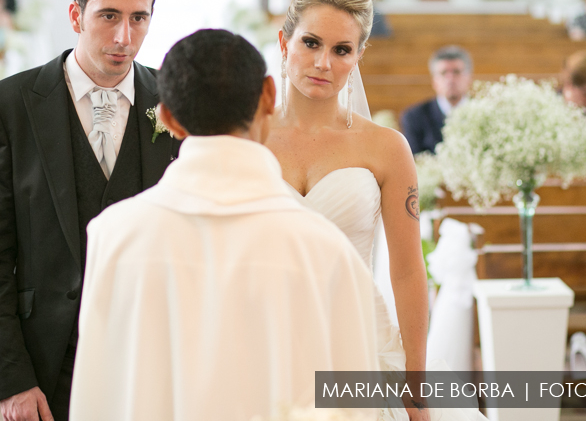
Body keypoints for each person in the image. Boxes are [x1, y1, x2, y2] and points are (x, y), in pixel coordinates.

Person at [70, 29, 381, 420]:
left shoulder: (114, 235)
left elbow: (94, 396)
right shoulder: (326, 248)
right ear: (269, 96)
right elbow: (355, 408)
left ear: (167, 117)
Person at [0, 0, 179, 421]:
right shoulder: (8, 106)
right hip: (46, 361)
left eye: (139, 18)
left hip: (151, 360)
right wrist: (13, 378)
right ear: (76, 14)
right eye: (108, 16)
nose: (124, 36)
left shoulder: (176, 102)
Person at [266, 0, 487, 421]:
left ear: (359, 56)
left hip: (357, 338)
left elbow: (408, 271)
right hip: (266, 333)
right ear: (284, 41)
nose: (323, 62)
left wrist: (416, 380)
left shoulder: (386, 147)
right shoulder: (247, 136)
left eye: (341, 49)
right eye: (311, 43)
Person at [400, 45, 473, 155]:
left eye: (456, 72)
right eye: (444, 73)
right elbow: (414, 160)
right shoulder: (414, 117)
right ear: (434, 80)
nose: (450, 79)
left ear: (469, 78)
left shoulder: (487, 114)